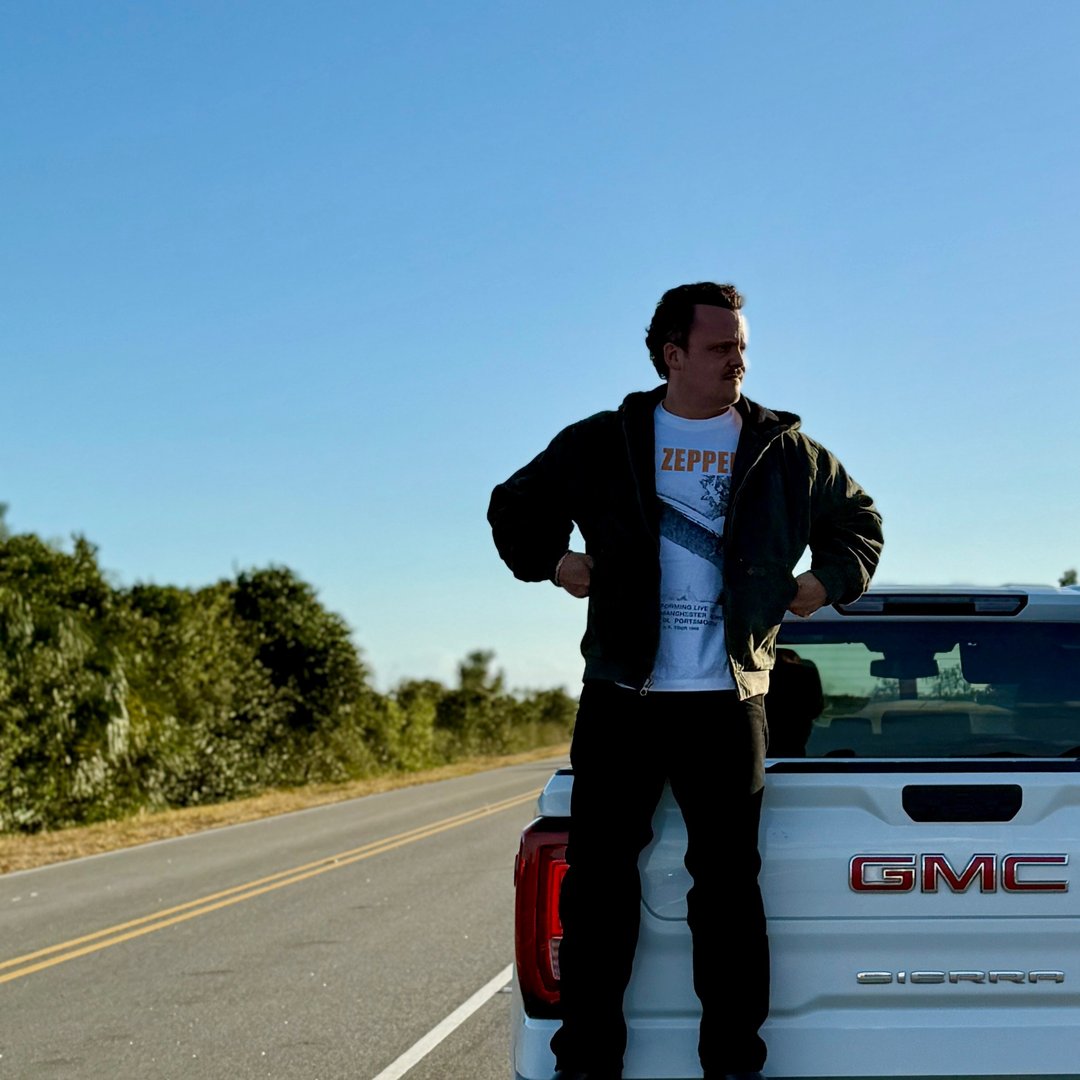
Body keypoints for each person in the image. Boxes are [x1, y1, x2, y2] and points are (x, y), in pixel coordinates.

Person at [487, 282, 883, 1080]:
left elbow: (860, 524)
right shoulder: (604, 441)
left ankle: (733, 1063)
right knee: (598, 888)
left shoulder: (784, 451)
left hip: (730, 700)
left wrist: (823, 581)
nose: (739, 361)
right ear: (672, 355)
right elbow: (513, 508)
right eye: (720, 347)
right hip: (623, 699)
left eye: (743, 347)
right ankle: (586, 1061)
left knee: (728, 888)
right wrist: (558, 563)